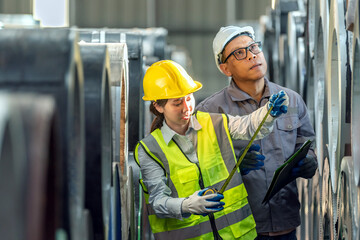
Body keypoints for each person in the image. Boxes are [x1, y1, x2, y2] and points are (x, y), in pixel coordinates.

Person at [134, 60, 289, 240]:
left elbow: (248, 125)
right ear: (158, 106)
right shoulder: (149, 149)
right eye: (177, 103)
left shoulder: (214, 123)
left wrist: (268, 112)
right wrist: (188, 205)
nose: (187, 107)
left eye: (188, 98)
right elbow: (158, 201)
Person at [195, 26, 318, 239]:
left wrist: (309, 161)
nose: (252, 55)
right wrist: (233, 168)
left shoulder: (292, 99)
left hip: (285, 224)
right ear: (225, 68)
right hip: (239, 230)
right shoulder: (210, 111)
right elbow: (197, 171)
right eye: (240, 53)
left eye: (253, 47)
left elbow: (305, 144)